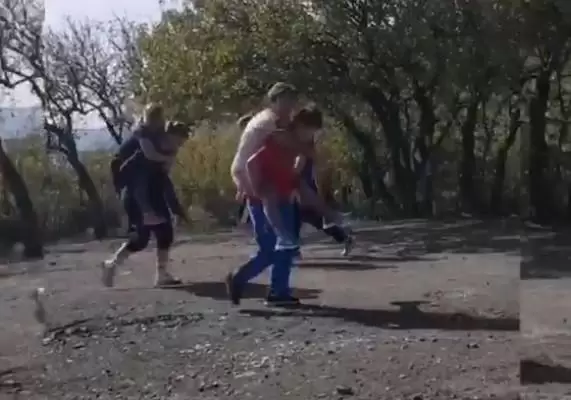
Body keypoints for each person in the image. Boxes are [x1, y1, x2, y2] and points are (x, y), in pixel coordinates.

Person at [103, 119, 189, 288]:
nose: (179, 146)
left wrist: (176, 209)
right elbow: (138, 184)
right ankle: (111, 264)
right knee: (142, 239)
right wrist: (146, 210)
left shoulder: (163, 154)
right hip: (137, 198)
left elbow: (164, 182)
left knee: (163, 234)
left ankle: (161, 274)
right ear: (169, 136)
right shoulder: (148, 154)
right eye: (178, 141)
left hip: (153, 196)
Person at [291, 107, 354, 256]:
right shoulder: (304, 141)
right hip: (302, 188)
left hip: (304, 189)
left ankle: (344, 236)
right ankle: (344, 236)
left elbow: (300, 164)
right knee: (302, 220)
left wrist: (291, 172)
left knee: (304, 219)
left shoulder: (304, 143)